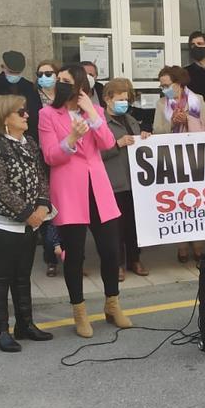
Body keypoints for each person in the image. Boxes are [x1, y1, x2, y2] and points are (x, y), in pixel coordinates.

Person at [39, 65, 130, 338]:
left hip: (98, 188)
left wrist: (91, 112)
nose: (60, 83)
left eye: (66, 80)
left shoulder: (96, 110)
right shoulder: (47, 114)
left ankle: (112, 304)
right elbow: (50, 156)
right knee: (75, 255)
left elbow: (106, 143)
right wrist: (71, 139)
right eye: (59, 80)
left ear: (80, 86)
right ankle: (79, 311)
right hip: (69, 189)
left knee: (111, 250)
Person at [0, 94, 54, 352]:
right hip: (1, 225)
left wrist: (42, 204)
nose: (26, 115)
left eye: (25, 110)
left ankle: (25, 324)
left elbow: (40, 175)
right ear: (4, 117)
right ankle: (0, 331)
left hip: (29, 222)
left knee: (22, 276)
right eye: (20, 112)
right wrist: (26, 212)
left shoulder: (28, 143)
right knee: (0, 277)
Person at [152, 65, 205, 263]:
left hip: (196, 158)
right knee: (179, 201)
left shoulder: (198, 100)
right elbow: (156, 131)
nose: (164, 89)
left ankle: (198, 245)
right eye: (162, 86)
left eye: (167, 85)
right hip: (173, 159)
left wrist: (188, 119)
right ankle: (182, 246)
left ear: (178, 84)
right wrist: (172, 123)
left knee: (197, 201)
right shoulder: (162, 104)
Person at [102, 78, 151, 278]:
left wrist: (144, 137)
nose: (124, 103)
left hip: (134, 181)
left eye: (126, 99)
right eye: (120, 99)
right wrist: (117, 144)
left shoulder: (130, 120)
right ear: (107, 99)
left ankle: (134, 259)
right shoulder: (101, 123)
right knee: (116, 228)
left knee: (133, 225)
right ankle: (117, 264)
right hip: (114, 181)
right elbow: (95, 153)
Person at [34, 59, 63, 276]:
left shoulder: (65, 95)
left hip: (65, 154)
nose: (44, 76)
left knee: (66, 206)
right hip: (41, 157)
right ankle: (51, 258)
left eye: (49, 72)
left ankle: (69, 253)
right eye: (40, 73)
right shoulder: (33, 97)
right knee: (47, 206)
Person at [0, 50, 43, 141]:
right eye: (11, 72)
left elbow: (36, 115)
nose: (15, 75)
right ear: (2, 67)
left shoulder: (30, 87)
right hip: (0, 139)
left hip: (28, 139)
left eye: (18, 73)